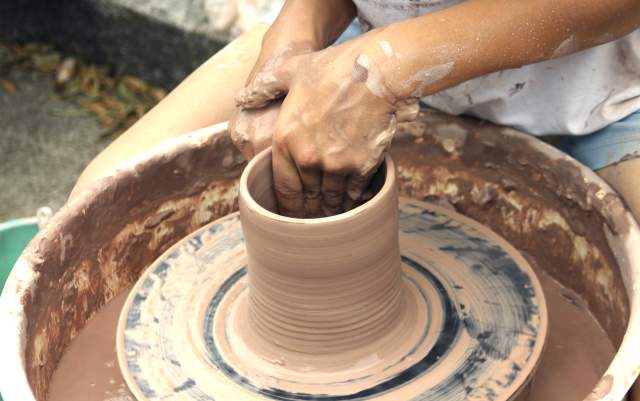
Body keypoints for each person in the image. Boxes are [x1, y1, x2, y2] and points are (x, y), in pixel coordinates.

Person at [70, 0, 640, 221]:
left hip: (587, 89)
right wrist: (293, 46)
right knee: (100, 202)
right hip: (355, 39)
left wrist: (383, 73)